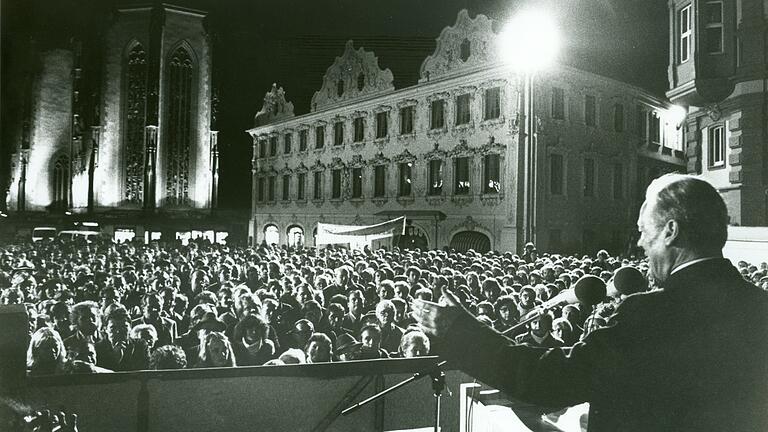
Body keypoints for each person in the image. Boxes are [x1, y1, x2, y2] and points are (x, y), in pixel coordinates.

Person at [413, 174, 768, 432]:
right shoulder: (761, 309)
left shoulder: (643, 316)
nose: (640, 246)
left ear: (670, 231)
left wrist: (459, 331)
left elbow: (546, 380)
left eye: (644, 232)